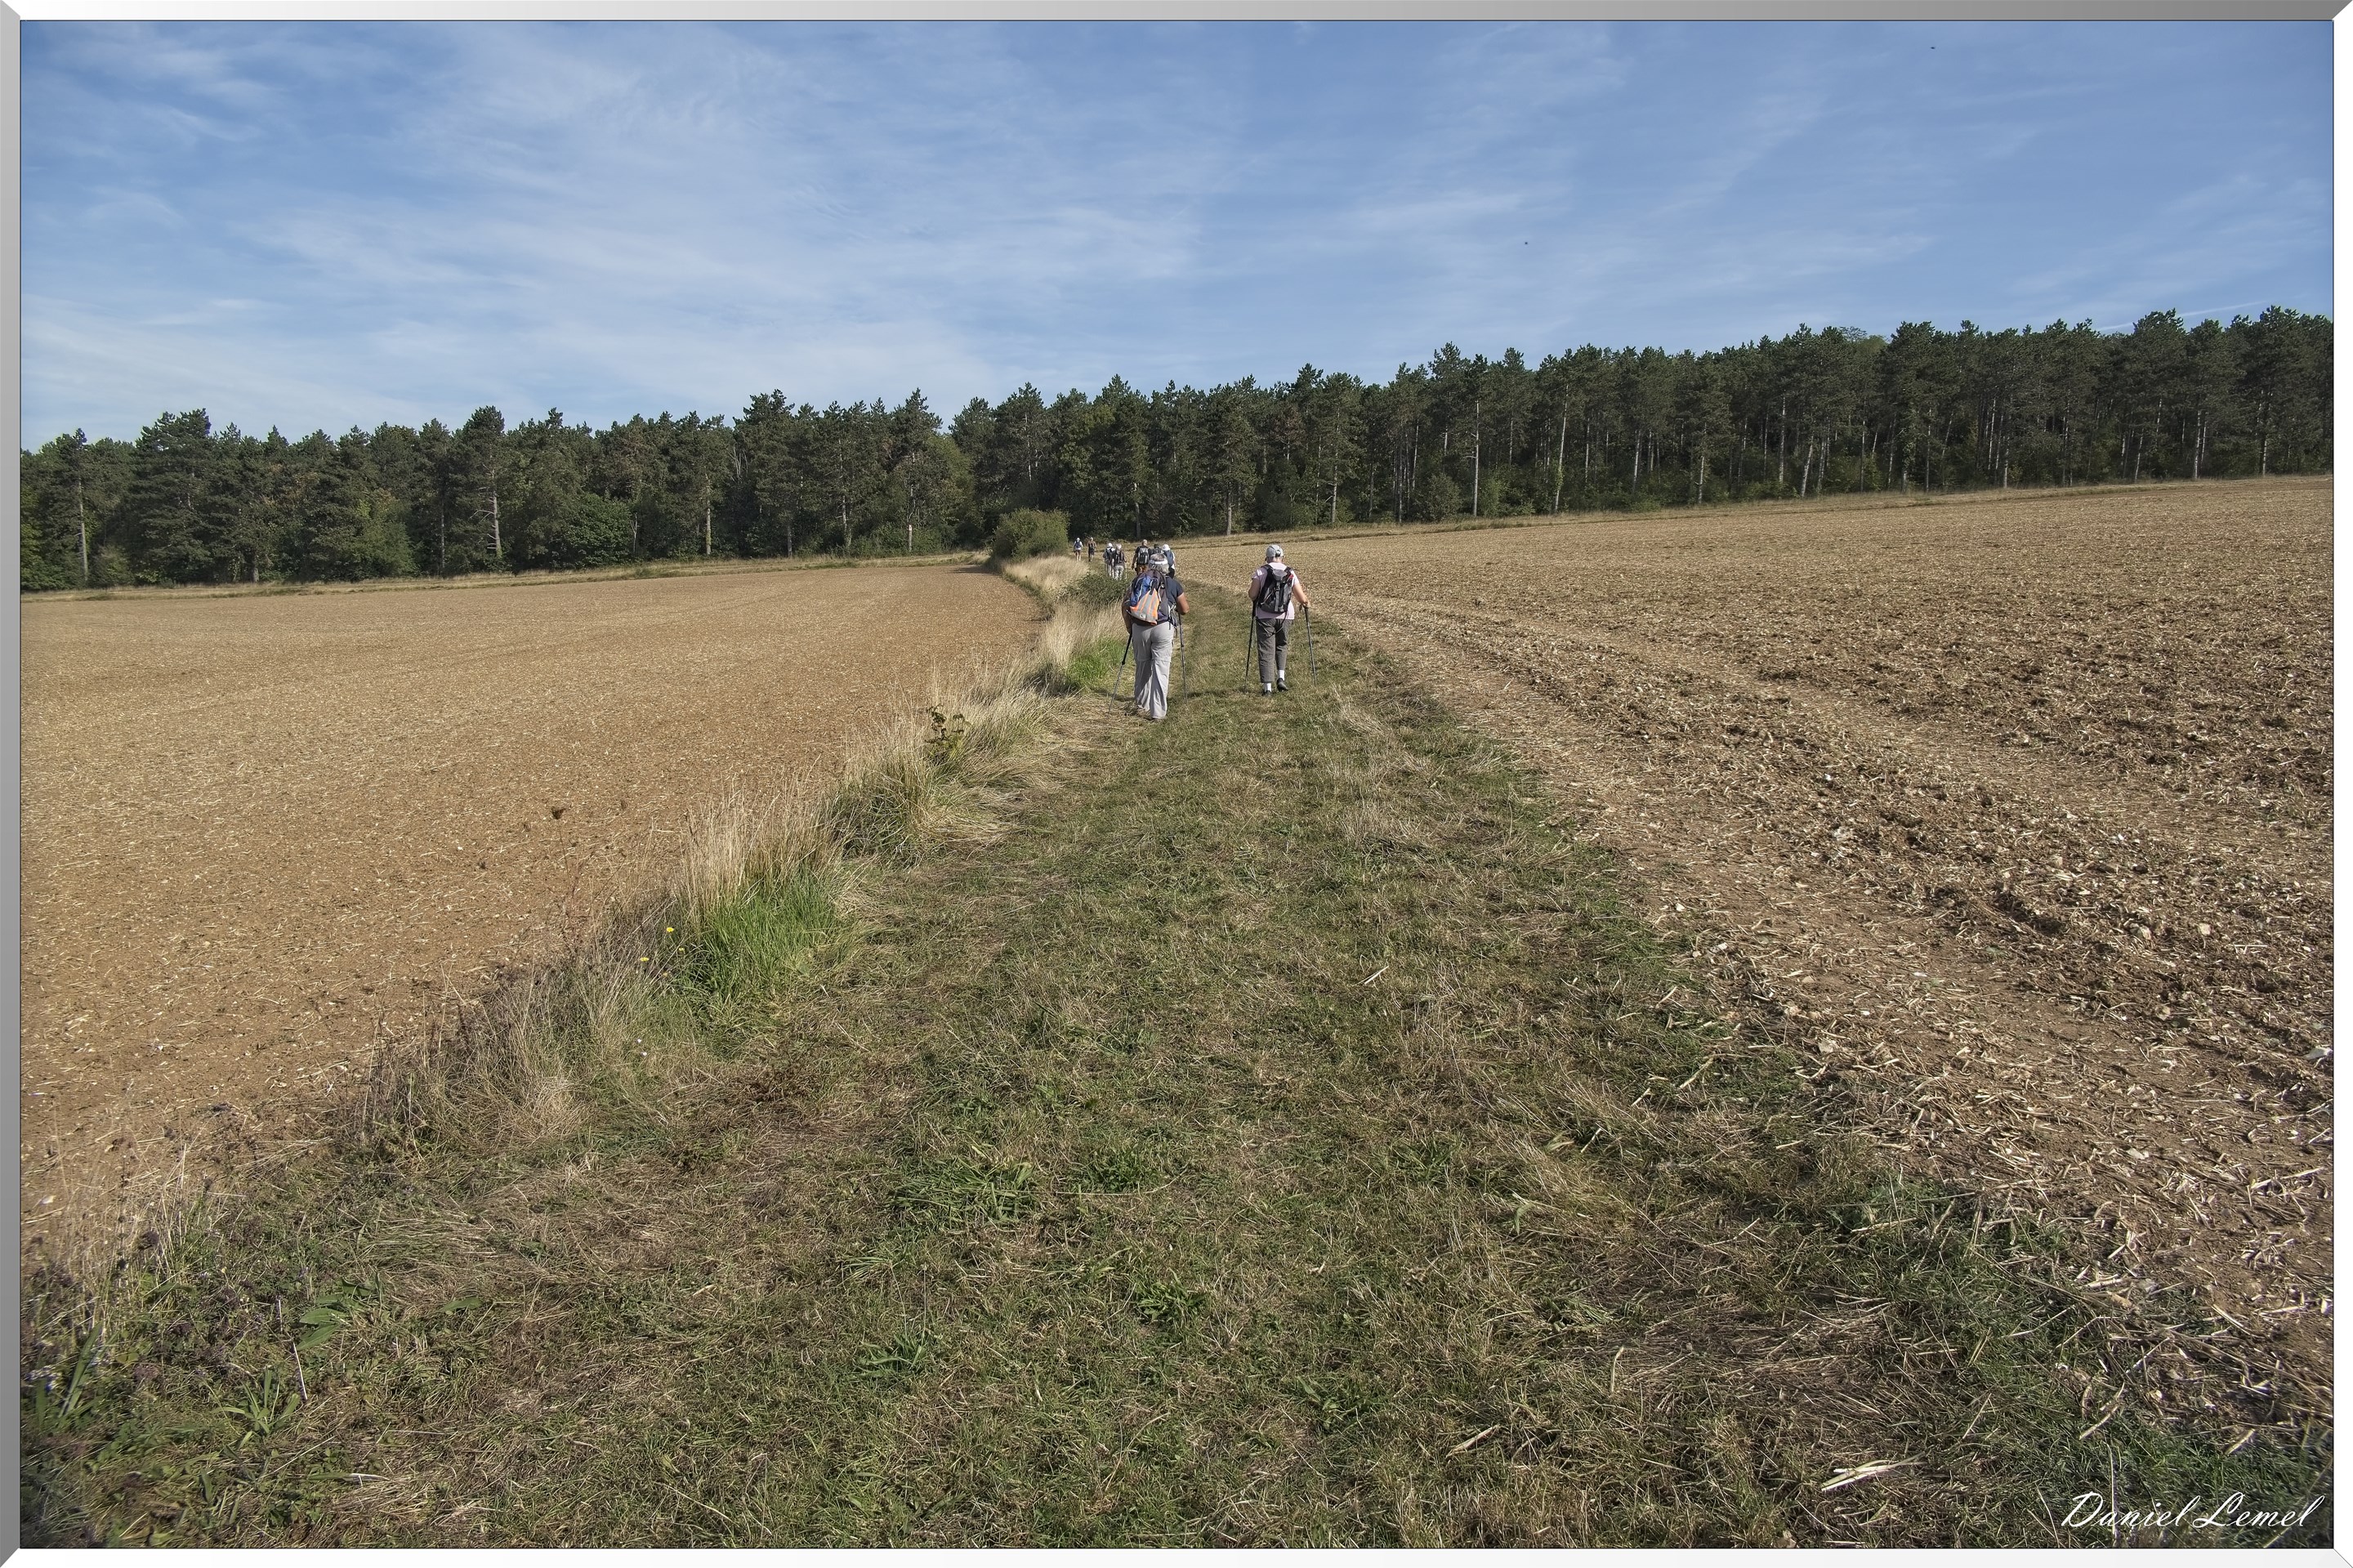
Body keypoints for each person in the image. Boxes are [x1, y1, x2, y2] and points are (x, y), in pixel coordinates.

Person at [1122, 552, 1190, 721]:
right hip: (1162, 628)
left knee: (1142, 667)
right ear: (1167, 566)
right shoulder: (1172, 583)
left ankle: (1141, 705)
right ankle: (1158, 713)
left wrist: (1130, 627)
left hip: (1139, 628)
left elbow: (1125, 605)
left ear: (1149, 566)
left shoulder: (1137, 580)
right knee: (1161, 669)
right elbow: (1185, 610)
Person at [1247, 543, 1310, 694]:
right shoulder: (1290, 572)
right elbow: (1301, 597)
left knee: (1266, 649)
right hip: (1286, 616)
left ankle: (1267, 688)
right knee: (1282, 645)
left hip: (1264, 616)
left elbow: (1252, 595)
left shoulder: (1261, 571)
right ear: (1282, 557)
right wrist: (1306, 604)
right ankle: (1281, 678)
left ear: (1267, 558)